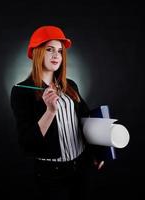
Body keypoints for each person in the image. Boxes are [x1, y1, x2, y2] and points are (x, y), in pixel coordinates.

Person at [10, 25, 107, 200]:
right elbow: (27, 143)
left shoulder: (70, 85)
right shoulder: (21, 91)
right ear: (38, 53)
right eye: (49, 50)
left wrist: (98, 151)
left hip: (82, 166)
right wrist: (50, 111)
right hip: (51, 174)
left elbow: (85, 121)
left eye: (60, 51)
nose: (56, 55)